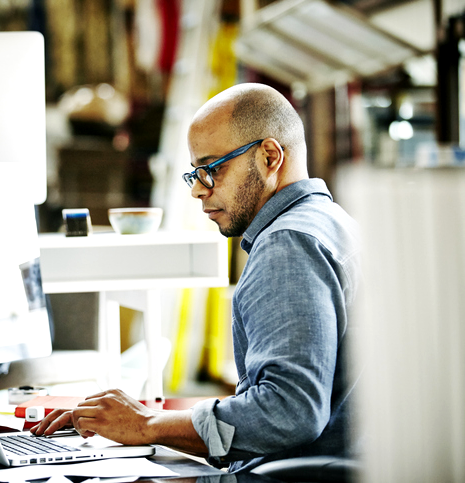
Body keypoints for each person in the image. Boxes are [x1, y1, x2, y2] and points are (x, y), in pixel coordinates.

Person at [31, 83, 361, 473]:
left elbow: (289, 411)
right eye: (195, 174)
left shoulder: (287, 245)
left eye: (213, 169)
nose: (199, 191)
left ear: (270, 156)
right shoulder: (332, 223)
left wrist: (145, 425)